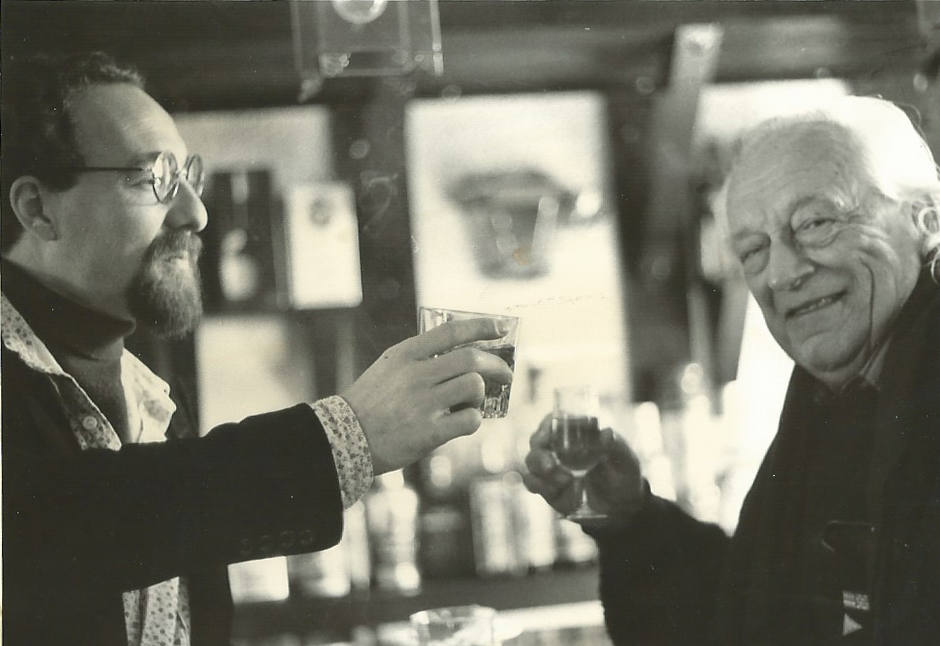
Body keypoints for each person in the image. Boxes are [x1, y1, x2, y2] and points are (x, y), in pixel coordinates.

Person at [1, 51, 514, 646]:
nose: (196, 213)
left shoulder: (156, 399)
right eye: (155, 179)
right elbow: (65, 521)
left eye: (189, 177)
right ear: (38, 209)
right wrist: (350, 432)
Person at [524, 96, 940, 645]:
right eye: (753, 250)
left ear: (926, 221)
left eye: (815, 222)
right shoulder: (833, 399)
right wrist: (631, 521)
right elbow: (750, 618)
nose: (783, 273)